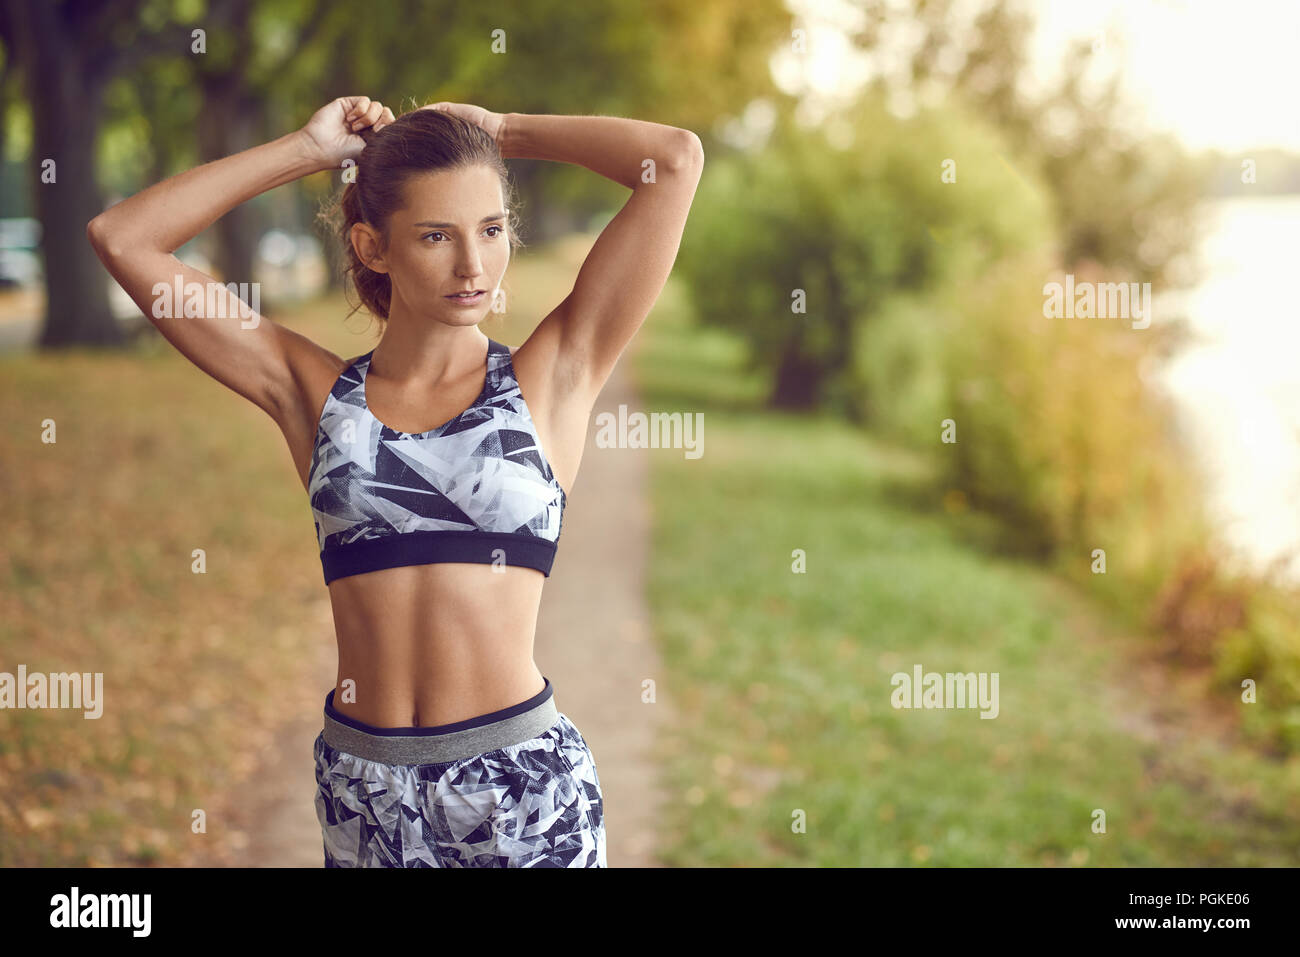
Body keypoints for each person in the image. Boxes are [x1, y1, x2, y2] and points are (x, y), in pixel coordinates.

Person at [86, 95, 704, 867]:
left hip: (520, 792)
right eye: (437, 236)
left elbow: (674, 161)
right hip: (364, 794)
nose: (473, 266)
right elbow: (124, 238)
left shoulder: (553, 376)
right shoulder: (313, 395)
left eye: (491, 230)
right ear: (373, 247)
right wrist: (306, 149)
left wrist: (504, 131)